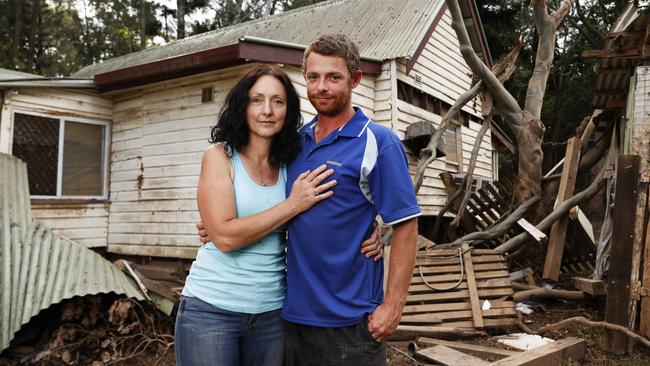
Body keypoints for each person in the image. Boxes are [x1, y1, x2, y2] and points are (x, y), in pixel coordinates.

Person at [200, 34, 420, 365]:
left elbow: (405, 223)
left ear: (355, 79)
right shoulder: (293, 144)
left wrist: (393, 305)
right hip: (289, 317)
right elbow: (263, 194)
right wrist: (217, 225)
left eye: (334, 77)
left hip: (350, 321)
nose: (322, 87)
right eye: (314, 77)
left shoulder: (378, 141)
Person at [175, 64, 382, 366]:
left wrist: (374, 228)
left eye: (278, 101)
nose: (267, 111)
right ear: (242, 106)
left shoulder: (291, 164)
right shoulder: (220, 156)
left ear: (289, 110)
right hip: (211, 309)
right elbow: (225, 238)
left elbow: (334, 206)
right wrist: (290, 205)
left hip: (272, 314)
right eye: (257, 100)